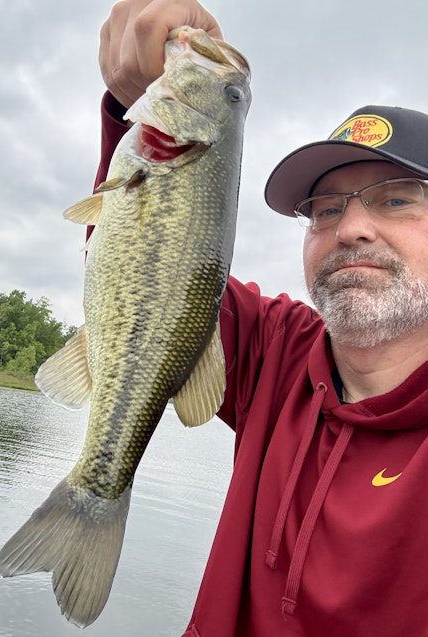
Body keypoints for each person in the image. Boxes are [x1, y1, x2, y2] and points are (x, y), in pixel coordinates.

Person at [94, 2, 428, 635]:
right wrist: (131, 107)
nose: (351, 229)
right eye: (325, 209)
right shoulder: (278, 349)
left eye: (395, 200)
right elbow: (142, 276)